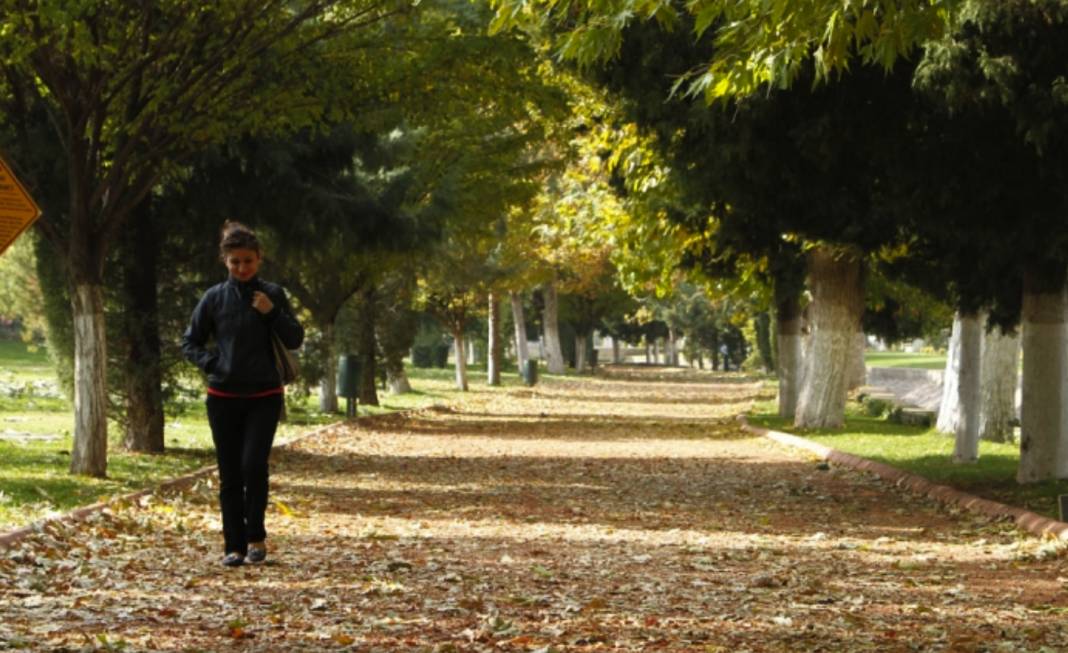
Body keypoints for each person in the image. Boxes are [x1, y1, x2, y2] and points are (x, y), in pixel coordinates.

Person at [181, 221, 304, 567]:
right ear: (225, 262)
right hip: (222, 397)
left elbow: (295, 338)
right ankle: (232, 546)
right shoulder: (214, 298)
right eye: (235, 262)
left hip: (264, 395)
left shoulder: (273, 295)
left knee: (253, 465)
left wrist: (272, 313)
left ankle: (256, 538)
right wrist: (211, 362)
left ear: (259, 259)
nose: (242, 268)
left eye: (247, 261)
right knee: (230, 471)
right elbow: (189, 341)